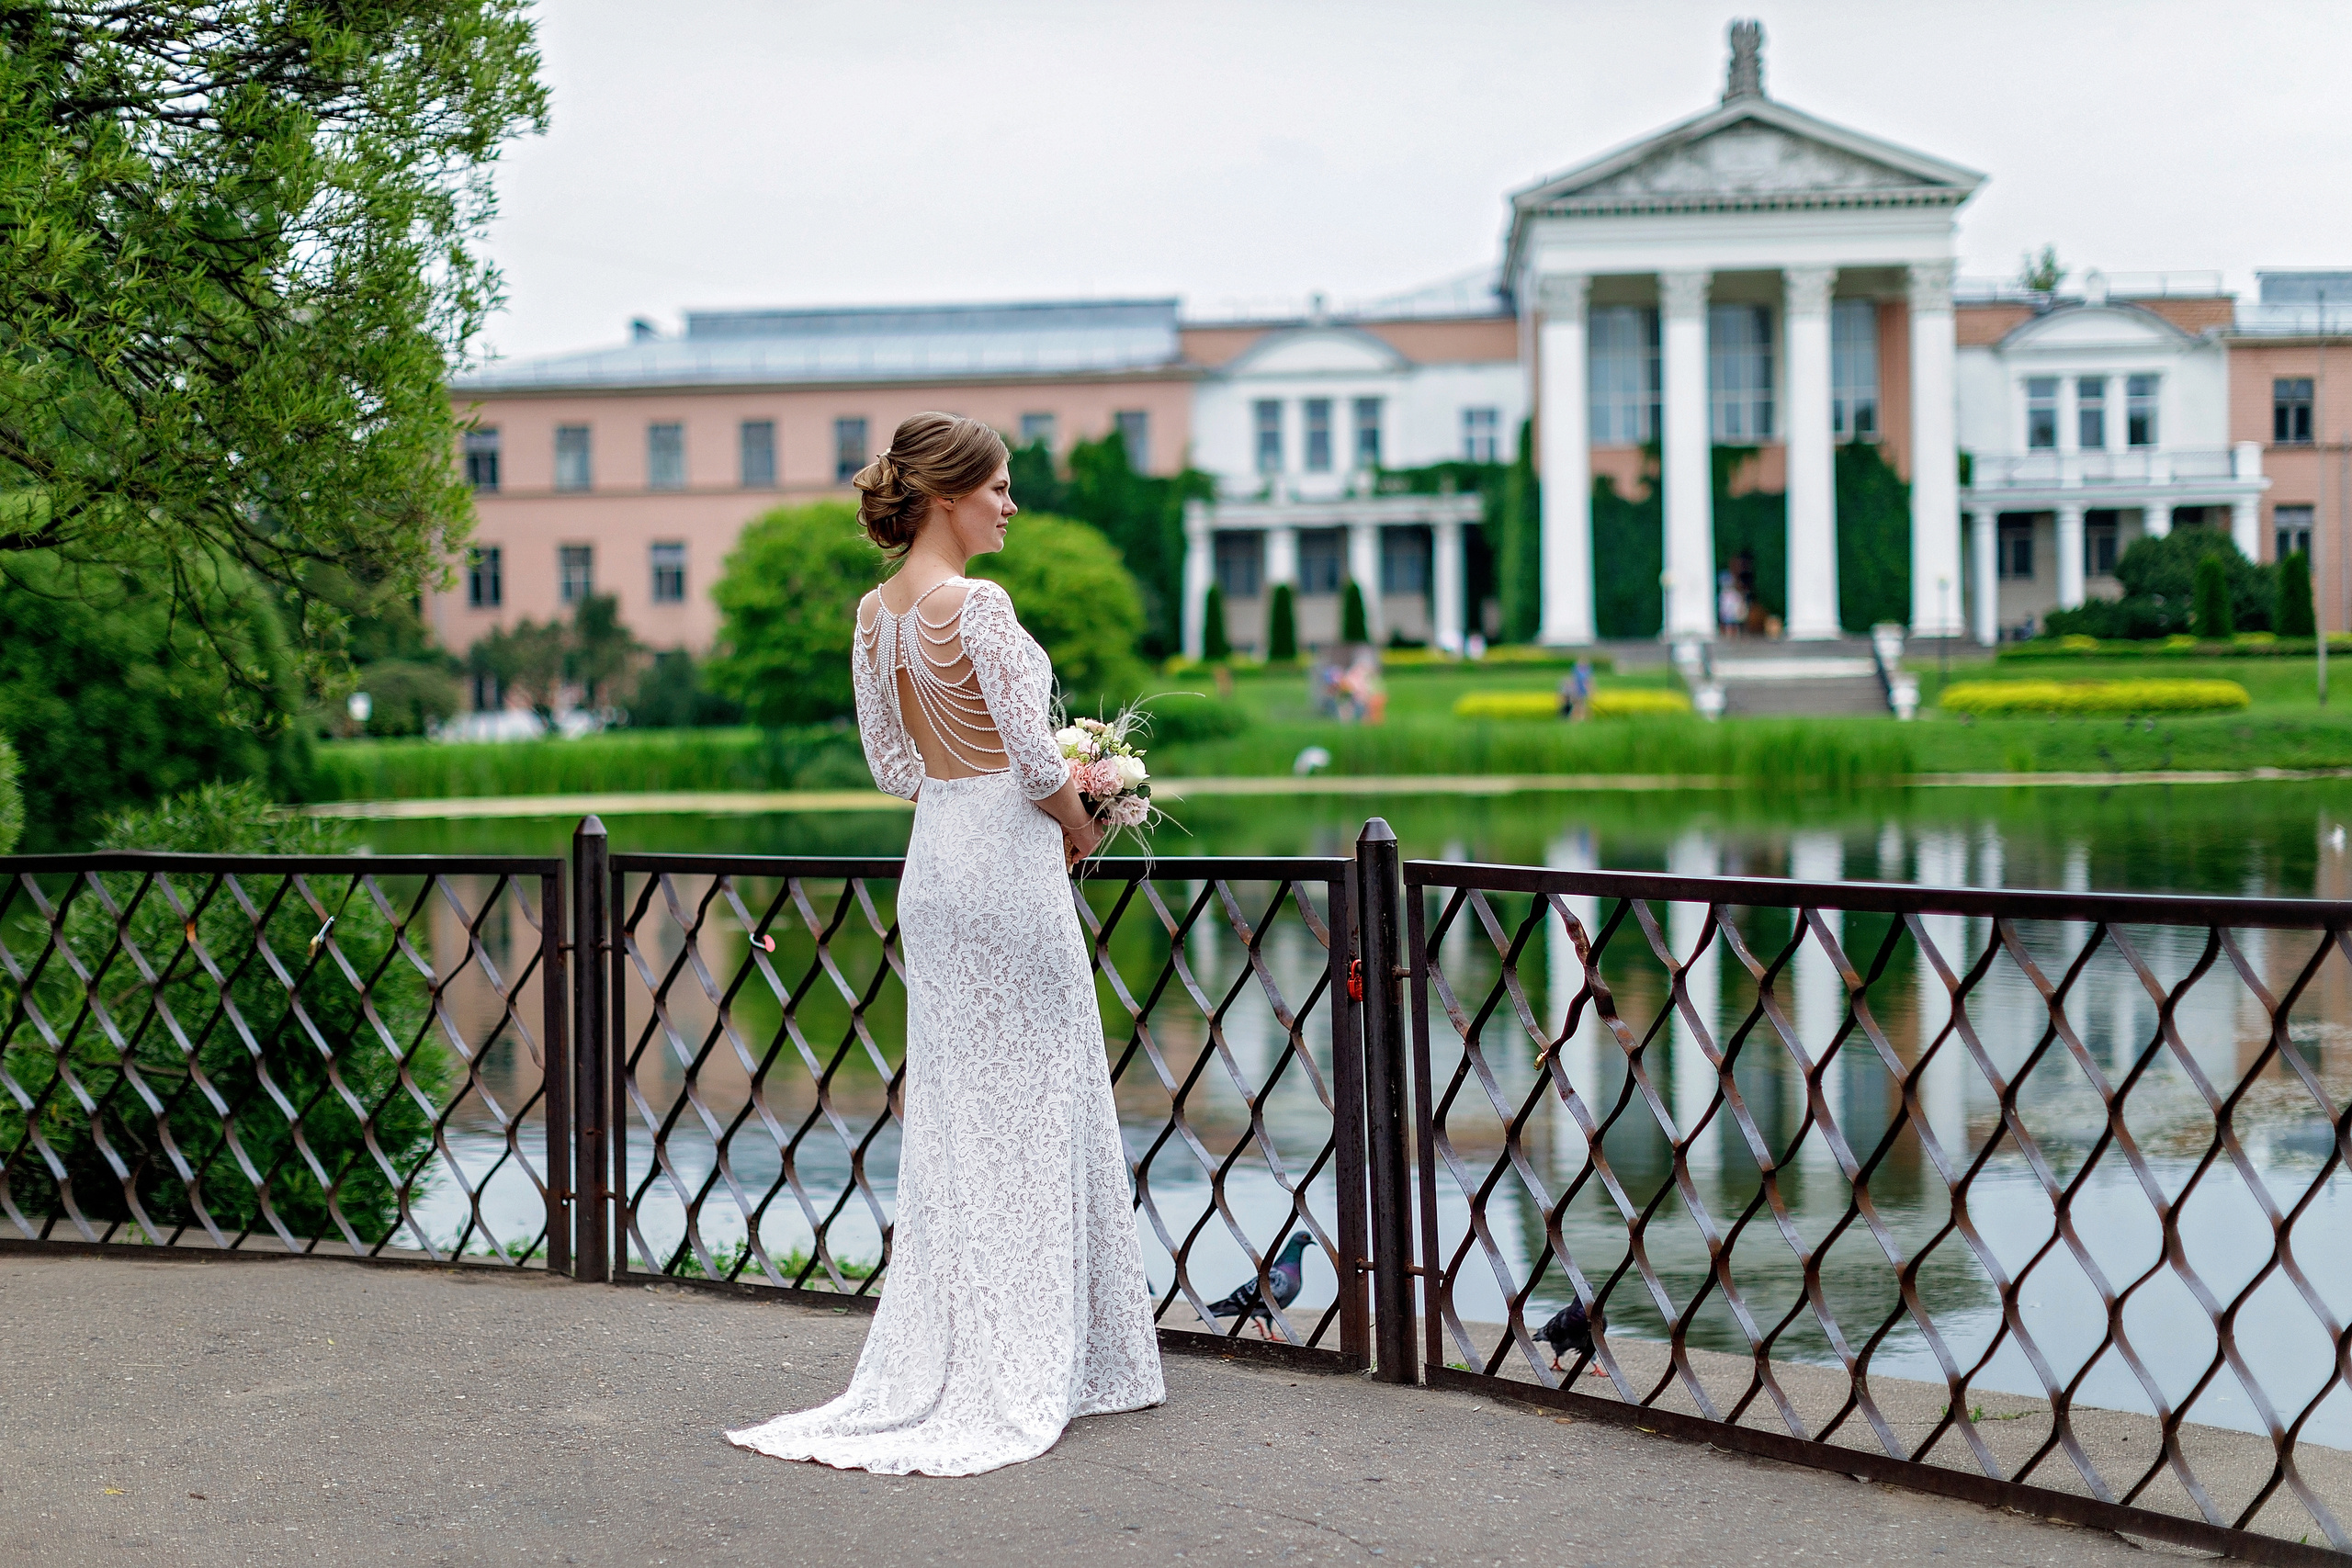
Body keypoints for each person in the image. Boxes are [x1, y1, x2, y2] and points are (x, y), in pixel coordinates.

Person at [726, 412, 1164, 1476]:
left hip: (938, 863)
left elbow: (892, 766)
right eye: (1001, 488)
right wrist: (1086, 812)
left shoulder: (875, 616)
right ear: (948, 495)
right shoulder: (978, 603)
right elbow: (1026, 756)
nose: (1012, 506)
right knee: (1048, 1094)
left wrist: (1015, 794)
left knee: (965, 1115)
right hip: (1008, 867)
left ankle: (971, 1349)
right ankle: (1061, 1359)